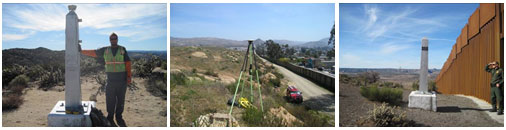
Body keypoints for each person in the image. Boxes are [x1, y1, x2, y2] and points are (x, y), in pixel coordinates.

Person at [80, 32, 132, 126]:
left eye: (115, 38)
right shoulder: (105, 50)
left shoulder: (122, 49)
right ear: (109, 40)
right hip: (111, 80)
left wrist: (129, 76)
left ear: (117, 39)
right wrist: (81, 51)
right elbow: (94, 52)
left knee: (121, 99)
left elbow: (128, 63)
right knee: (110, 99)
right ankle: (110, 116)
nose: (113, 40)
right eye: (112, 39)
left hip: (122, 79)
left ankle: (119, 116)